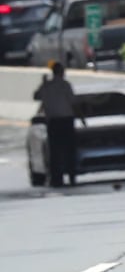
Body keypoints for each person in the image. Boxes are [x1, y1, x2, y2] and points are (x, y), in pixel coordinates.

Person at [34, 60, 77, 188]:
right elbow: (73, 102)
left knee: (55, 151)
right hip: (66, 120)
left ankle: (57, 179)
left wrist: (43, 83)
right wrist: (81, 117)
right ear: (61, 72)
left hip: (53, 122)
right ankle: (71, 176)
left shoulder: (47, 86)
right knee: (69, 150)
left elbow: (36, 96)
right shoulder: (65, 85)